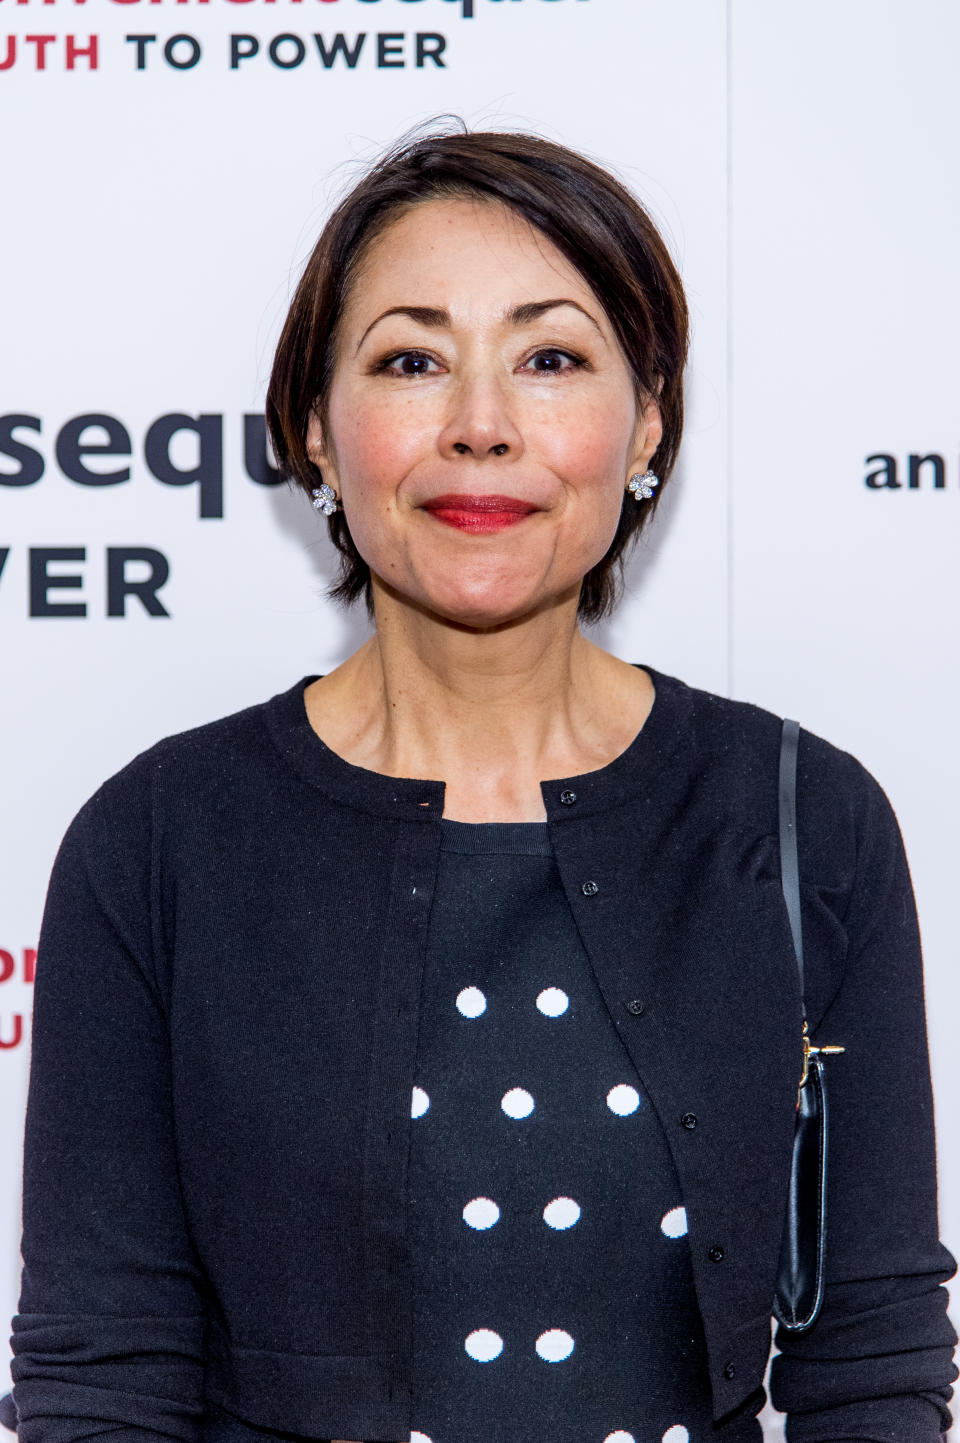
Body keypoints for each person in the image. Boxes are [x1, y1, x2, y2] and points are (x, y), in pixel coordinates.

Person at [8, 124, 958, 1443]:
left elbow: (872, 1363)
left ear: (648, 425)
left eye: (552, 358)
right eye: (410, 360)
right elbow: (104, 1381)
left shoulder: (805, 819)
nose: (482, 427)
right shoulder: (159, 843)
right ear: (316, 435)